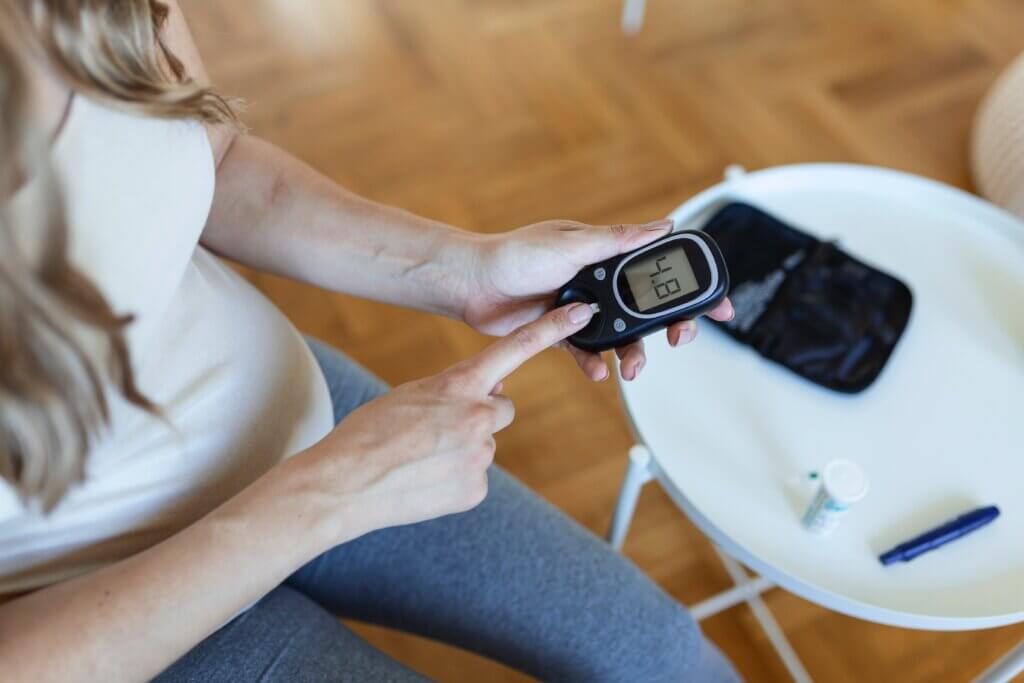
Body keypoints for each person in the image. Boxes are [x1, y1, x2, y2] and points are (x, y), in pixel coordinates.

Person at [0, 1, 738, 681]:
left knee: (664, 653)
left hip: (293, 415)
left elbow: (217, 160)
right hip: (105, 617)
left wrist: (465, 270)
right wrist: (333, 492)